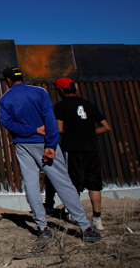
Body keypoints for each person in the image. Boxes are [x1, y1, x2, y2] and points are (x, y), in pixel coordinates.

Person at [0, 67, 101, 242]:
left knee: (31, 185)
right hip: (45, 143)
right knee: (63, 182)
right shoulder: (39, 92)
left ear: (7, 81)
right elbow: (50, 119)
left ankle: (42, 227)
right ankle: (85, 227)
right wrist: (51, 145)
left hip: (23, 145)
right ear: (21, 77)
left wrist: (31, 130)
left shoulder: (5, 98)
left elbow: (7, 123)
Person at [49, 77, 111, 231]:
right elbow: (106, 127)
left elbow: (60, 129)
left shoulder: (60, 107)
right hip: (91, 149)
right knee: (94, 185)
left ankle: (73, 214)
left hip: (73, 149)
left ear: (61, 91)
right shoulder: (90, 105)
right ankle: (97, 218)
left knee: (73, 183)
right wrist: (90, 133)